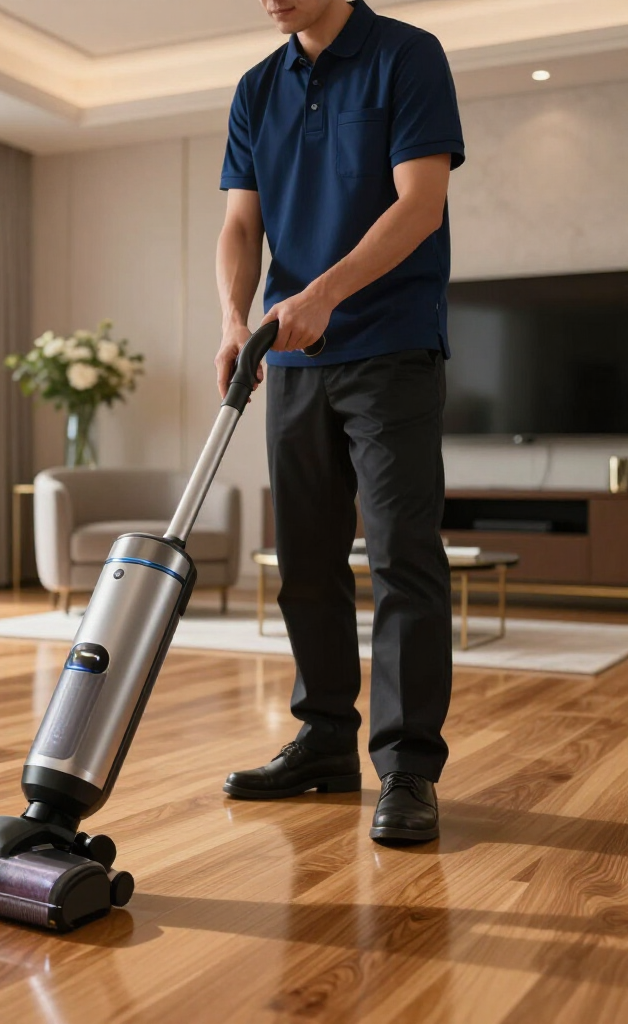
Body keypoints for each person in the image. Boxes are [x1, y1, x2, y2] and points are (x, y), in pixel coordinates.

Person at [215, 0, 464, 843]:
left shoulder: (406, 56)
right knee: (307, 562)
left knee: (402, 556)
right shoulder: (258, 86)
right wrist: (232, 322)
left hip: (390, 347)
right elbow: (241, 223)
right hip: (291, 359)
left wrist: (322, 293)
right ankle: (324, 740)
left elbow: (419, 203)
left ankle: (406, 769)